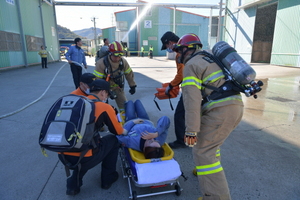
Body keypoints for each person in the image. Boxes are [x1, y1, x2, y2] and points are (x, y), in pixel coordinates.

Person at [173, 33, 244, 200]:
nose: (178, 55)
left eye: (179, 51)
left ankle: (216, 197)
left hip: (220, 111)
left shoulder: (191, 65)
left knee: (203, 152)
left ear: (186, 49)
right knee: (211, 145)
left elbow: (192, 101)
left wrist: (191, 130)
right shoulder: (210, 57)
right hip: (235, 107)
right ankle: (203, 171)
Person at [58, 79, 124, 196]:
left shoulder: (77, 101)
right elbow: (118, 131)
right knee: (112, 141)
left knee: (84, 144)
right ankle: (107, 179)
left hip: (63, 155)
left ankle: (73, 186)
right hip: (84, 157)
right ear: (103, 92)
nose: (106, 97)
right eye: (107, 94)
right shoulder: (104, 107)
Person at [94, 41, 137, 115]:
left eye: (121, 54)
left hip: (117, 87)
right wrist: (102, 93)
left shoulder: (123, 62)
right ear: (110, 53)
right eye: (116, 54)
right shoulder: (101, 63)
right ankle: (102, 122)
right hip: (104, 89)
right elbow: (97, 80)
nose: (118, 57)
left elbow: (128, 73)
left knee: (124, 107)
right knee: (101, 108)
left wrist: (132, 85)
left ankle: (124, 122)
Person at [160, 31, 186, 149]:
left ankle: (182, 141)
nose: (167, 49)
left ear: (170, 43)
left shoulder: (180, 53)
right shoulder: (185, 48)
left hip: (191, 90)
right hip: (198, 89)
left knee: (179, 115)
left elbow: (182, 74)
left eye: (166, 46)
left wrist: (171, 85)